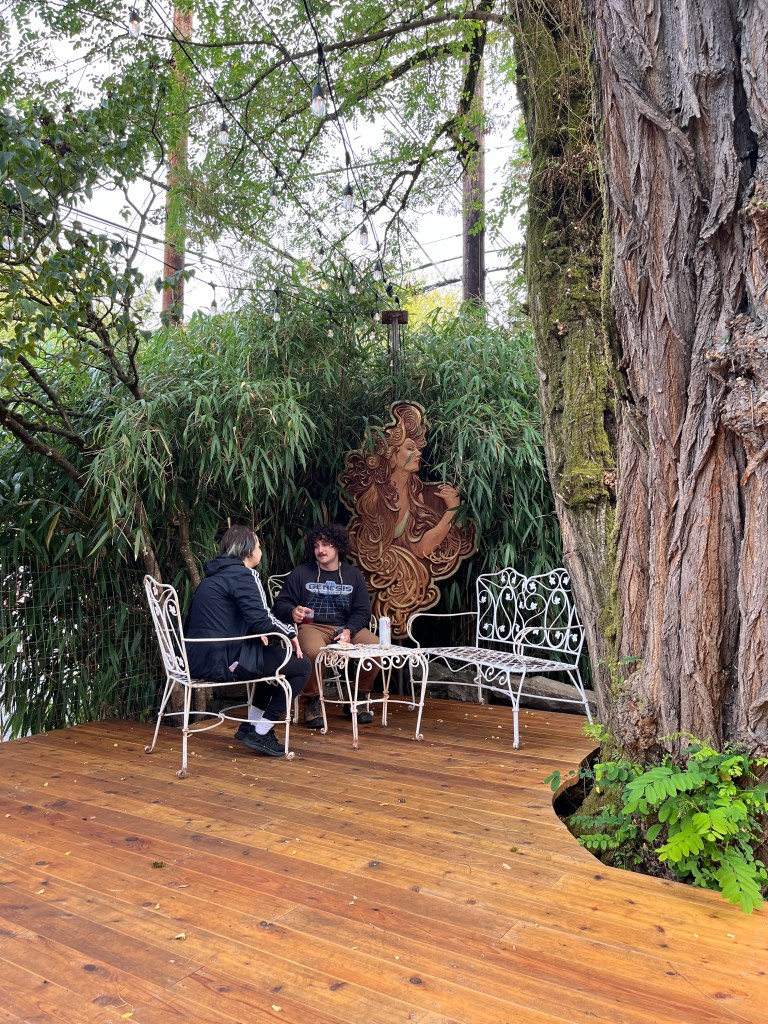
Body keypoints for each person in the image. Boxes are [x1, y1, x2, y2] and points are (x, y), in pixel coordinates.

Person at [340, 401, 475, 637]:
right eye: (410, 448)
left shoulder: (426, 496)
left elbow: (428, 547)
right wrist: (451, 511)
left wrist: (452, 511)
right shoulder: (375, 499)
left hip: (412, 589)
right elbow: (417, 547)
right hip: (385, 582)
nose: (419, 453)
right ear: (392, 455)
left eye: (417, 448)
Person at [185, 524, 310, 757]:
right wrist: (291, 633)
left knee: (268, 659)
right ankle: (262, 731)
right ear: (248, 550)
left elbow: (229, 618)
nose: (261, 551)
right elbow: (262, 619)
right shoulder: (244, 575)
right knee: (301, 666)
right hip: (224, 662)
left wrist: (255, 631)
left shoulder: (214, 576)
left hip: (197, 659)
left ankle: (251, 726)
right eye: (259, 546)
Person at [273, 523, 379, 729]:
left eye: (326, 544)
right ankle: (312, 701)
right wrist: (293, 611)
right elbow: (280, 604)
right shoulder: (301, 573)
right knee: (312, 651)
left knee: (376, 647)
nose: (320, 550)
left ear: (338, 546)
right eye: (316, 546)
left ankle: (358, 697)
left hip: (346, 628)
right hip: (312, 627)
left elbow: (362, 612)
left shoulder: (353, 575)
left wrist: (349, 630)